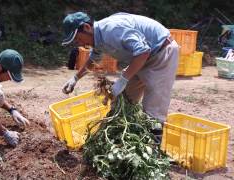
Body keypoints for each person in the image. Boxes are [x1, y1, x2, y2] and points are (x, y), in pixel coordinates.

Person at [61, 12, 179, 142]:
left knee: (153, 109)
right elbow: (94, 59)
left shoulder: (112, 30)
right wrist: (76, 78)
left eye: (78, 39)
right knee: (123, 100)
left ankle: (153, 148)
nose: (80, 44)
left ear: (87, 28)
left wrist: (123, 79)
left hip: (161, 52)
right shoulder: (97, 38)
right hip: (140, 57)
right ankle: (120, 140)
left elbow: (143, 51)